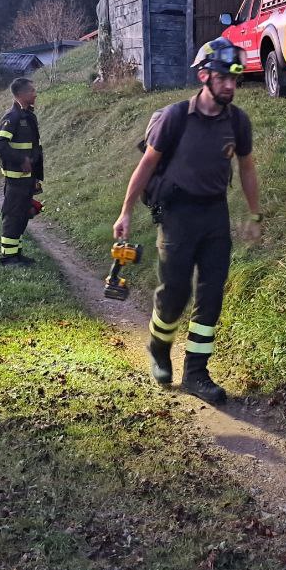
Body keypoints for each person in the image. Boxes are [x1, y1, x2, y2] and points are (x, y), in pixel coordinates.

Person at [112, 37, 263, 404]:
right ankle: (159, 347)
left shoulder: (238, 122)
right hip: (177, 216)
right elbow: (146, 164)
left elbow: (246, 168)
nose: (230, 85)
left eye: (235, 77)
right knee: (174, 293)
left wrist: (255, 214)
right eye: (223, 77)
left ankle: (197, 372)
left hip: (214, 214)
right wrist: (126, 210)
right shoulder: (175, 117)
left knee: (211, 294)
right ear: (204, 76)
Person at [0, 77, 43, 266]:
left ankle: (16, 254)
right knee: (13, 217)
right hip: (16, 180)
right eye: (31, 91)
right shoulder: (12, 117)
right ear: (21, 94)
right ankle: (7, 257)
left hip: (27, 179)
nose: (35, 94)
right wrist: (20, 160)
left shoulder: (27, 115)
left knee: (22, 216)